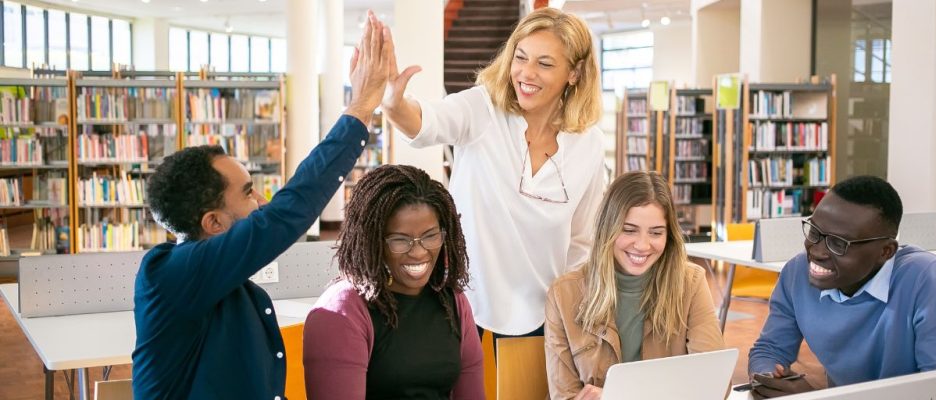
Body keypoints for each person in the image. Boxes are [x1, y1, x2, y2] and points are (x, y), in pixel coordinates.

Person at [131, 12, 390, 399]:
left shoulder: (220, 280)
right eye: (249, 192)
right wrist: (361, 108)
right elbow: (287, 211)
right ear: (214, 222)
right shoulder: (171, 275)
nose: (262, 201)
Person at [378, 7, 607, 338]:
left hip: (543, 315)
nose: (526, 73)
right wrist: (393, 104)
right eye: (520, 57)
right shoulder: (483, 109)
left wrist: (569, 312)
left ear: (575, 72)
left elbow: (582, 241)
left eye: (544, 64)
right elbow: (427, 122)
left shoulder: (589, 144)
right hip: (462, 305)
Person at [748, 176, 936, 398]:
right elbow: (770, 349)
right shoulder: (797, 272)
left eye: (838, 243)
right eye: (814, 232)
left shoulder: (926, 279)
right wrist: (769, 378)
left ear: (885, 251)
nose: (817, 251)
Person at [302, 164, 485, 400]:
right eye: (400, 240)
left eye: (430, 236)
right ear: (372, 240)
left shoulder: (453, 301)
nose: (419, 253)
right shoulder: (342, 311)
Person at [544, 171, 726, 400]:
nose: (642, 245)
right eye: (629, 230)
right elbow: (564, 395)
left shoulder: (691, 283)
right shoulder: (563, 294)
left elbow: (714, 384)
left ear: (669, 235)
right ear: (608, 229)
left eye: (656, 233)